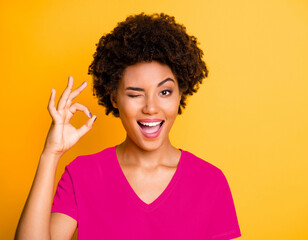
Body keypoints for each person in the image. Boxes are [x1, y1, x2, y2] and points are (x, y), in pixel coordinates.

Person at [15, 13, 241, 239]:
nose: (151, 108)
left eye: (165, 92)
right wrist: (50, 154)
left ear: (180, 94)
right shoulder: (82, 175)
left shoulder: (210, 182)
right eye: (135, 94)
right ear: (114, 98)